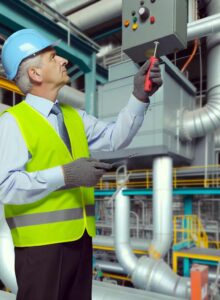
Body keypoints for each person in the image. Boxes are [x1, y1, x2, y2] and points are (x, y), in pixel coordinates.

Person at [0, 28, 162, 300]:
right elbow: (5, 185)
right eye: (53, 57)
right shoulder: (12, 123)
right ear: (35, 74)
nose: (63, 60)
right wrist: (66, 175)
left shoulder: (74, 117)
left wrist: (139, 96)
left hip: (81, 241)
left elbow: (115, 138)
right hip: (40, 249)